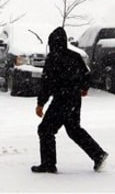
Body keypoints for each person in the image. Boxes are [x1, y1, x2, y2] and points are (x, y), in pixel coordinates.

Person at [31, 26, 108, 174]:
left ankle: (48, 164)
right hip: (74, 99)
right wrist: (84, 88)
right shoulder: (75, 56)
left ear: (52, 42)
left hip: (61, 100)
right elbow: (87, 75)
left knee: (45, 129)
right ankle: (98, 154)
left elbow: (47, 84)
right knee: (74, 130)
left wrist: (40, 104)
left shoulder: (52, 59)